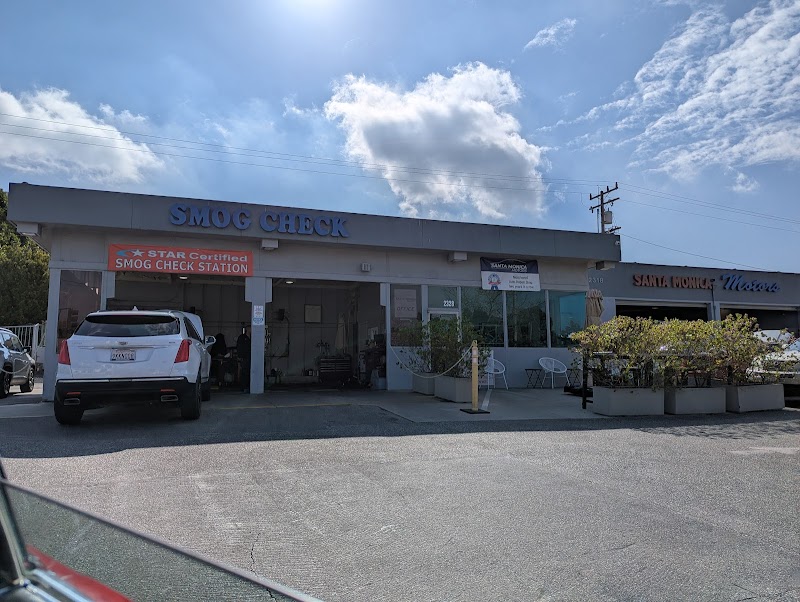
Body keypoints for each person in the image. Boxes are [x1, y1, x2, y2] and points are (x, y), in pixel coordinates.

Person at [236, 325, 251, 393]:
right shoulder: (242, 337)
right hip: (244, 357)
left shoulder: (252, 337)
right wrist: (240, 357)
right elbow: (239, 347)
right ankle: (244, 387)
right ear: (248, 329)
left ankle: (249, 386)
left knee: (250, 372)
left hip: (251, 357)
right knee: (244, 372)